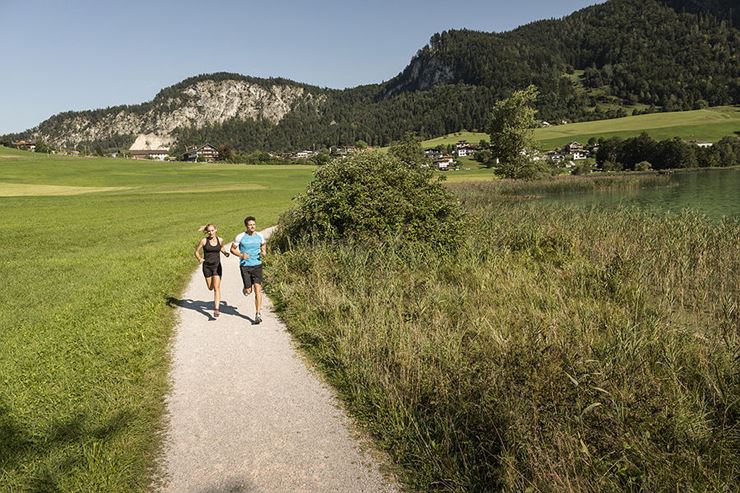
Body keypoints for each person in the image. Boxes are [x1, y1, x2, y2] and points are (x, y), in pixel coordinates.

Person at [231, 216, 266, 324]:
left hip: (257, 265)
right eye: (250, 225)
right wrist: (241, 255)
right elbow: (232, 249)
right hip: (245, 266)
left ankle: (257, 314)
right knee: (248, 291)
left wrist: (263, 251)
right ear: (246, 226)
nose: (252, 226)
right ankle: (246, 288)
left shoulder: (260, 235)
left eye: (254, 224)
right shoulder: (240, 237)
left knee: (257, 290)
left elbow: (263, 245)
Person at [194, 223, 230, 318]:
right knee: (210, 287)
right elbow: (196, 251)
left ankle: (216, 309)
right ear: (207, 232)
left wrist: (225, 252)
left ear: (216, 230)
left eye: (212, 230)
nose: (211, 232)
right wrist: (199, 258)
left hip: (217, 266)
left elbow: (221, 247)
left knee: (216, 288)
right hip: (207, 267)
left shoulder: (220, 240)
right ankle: (213, 287)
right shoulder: (204, 241)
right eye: (209, 231)